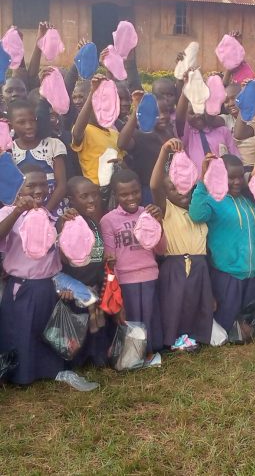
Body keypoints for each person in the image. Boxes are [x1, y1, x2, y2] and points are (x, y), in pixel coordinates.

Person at [190, 153, 255, 333]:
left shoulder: (248, 203)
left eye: (240, 176)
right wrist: (203, 181)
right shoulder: (213, 200)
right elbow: (196, 215)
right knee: (227, 328)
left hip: (251, 274)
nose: (237, 182)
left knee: (248, 326)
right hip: (227, 275)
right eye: (230, 177)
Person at [0, 165, 65, 384]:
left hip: (47, 284)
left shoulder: (48, 214)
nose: (39, 190)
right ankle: (22, 374)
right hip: (23, 286)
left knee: (43, 330)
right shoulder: (9, 212)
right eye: (31, 185)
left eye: (43, 185)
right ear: (18, 189)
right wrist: (18, 210)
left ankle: (46, 369)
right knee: (20, 331)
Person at [150, 139, 214, 349]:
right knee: (175, 303)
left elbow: (203, 186)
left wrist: (204, 171)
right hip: (176, 265)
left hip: (199, 265)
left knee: (195, 302)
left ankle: (192, 335)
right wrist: (163, 151)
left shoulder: (198, 209)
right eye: (175, 189)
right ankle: (173, 337)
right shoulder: (167, 209)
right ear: (167, 193)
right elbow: (154, 185)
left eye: (185, 187)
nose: (182, 192)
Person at [100, 169, 165, 359]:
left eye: (135, 192)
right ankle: (132, 355)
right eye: (124, 194)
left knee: (150, 316)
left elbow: (160, 249)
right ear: (116, 194)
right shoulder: (108, 220)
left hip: (149, 275)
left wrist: (159, 223)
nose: (131, 197)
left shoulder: (149, 213)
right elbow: (110, 258)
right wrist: (115, 285)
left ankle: (151, 351)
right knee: (132, 318)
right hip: (126, 279)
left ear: (141, 190)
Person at [57, 177, 110, 367]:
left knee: (97, 330)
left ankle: (98, 358)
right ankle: (77, 362)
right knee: (77, 333)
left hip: (95, 290)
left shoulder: (94, 222)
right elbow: (60, 259)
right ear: (71, 199)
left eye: (94, 194)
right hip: (76, 292)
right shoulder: (67, 223)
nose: (91, 200)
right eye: (84, 196)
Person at [9, 99, 67, 215]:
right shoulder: (9, 150)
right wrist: (25, 211)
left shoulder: (53, 144)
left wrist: (45, 212)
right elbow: (9, 189)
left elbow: (62, 185)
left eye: (32, 120)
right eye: (21, 122)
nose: (29, 126)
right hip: (23, 210)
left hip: (54, 206)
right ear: (11, 125)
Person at [117, 90, 174, 205]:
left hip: (170, 189)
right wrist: (137, 109)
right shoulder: (140, 135)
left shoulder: (169, 131)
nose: (162, 117)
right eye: (157, 113)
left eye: (166, 112)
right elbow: (122, 144)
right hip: (150, 192)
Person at [176, 73, 239, 173]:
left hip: (221, 182)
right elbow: (179, 118)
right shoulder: (187, 132)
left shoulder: (223, 131)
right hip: (196, 185)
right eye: (192, 113)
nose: (198, 115)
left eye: (201, 110)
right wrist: (186, 87)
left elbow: (235, 157)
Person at [71, 74, 124, 186]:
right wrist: (92, 93)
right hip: (96, 189)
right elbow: (77, 134)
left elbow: (123, 159)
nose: (101, 110)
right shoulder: (86, 131)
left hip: (116, 188)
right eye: (96, 106)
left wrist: (120, 164)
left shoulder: (114, 133)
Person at [219, 83, 255, 172]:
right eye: (226, 101)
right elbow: (209, 118)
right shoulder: (225, 120)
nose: (230, 104)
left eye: (234, 98)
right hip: (234, 173)